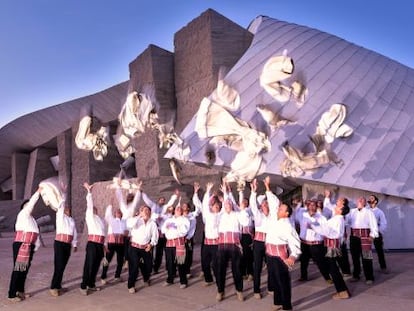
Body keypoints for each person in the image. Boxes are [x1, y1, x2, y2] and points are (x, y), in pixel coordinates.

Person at [311, 197, 351, 299]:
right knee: (333, 268)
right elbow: (326, 228)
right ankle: (342, 290)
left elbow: (328, 231)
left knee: (333, 269)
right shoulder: (337, 219)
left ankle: (342, 291)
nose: (337, 206)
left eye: (339, 206)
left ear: (341, 210)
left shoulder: (337, 219)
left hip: (331, 246)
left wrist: (314, 227)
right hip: (332, 245)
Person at [215, 181, 249, 302]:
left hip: (234, 246)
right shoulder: (220, 215)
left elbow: (246, 223)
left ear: (232, 205)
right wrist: (225, 192)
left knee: (237, 270)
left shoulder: (238, 215)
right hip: (222, 246)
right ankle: (220, 291)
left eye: (229, 204)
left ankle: (239, 291)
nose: (227, 205)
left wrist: (243, 209)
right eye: (226, 204)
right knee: (220, 269)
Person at [8, 187, 42, 302]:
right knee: (18, 269)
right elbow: (32, 202)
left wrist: (35, 247)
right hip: (21, 244)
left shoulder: (32, 219)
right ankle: (12, 294)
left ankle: (20, 291)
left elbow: (35, 233)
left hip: (29, 245)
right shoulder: (23, 214)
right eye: (28, 205)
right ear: (24, 207)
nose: (30, 207)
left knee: (24, 269)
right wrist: (38, 192)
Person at [265, 203, 301, 311]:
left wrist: (293, 256)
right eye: (279, 208)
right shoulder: (275, 221)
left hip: (280, 257)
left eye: (281, 209)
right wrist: (267, 189)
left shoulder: (288, 225)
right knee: (275, 281)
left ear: (287, 213)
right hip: (270, 255)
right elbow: (272, 203)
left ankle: (287, 307)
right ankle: (277, 302)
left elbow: (295, 241)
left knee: (283, 282)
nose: (278, 210)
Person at [249, 177, 280, 299]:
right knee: (257, 267)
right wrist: (253, 191)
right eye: (263, 204)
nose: (265, 205)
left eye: (266, 203)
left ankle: (271, 287)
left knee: (271, 266)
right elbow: (252, 205)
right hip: (258, 243)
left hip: (269, 242)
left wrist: (268, 187)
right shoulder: (258, 215)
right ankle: (256, 290)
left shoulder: (273, 216)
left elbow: (275, 203)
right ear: (260, 206)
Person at [141, 188, 178, 274]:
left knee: (168, 252)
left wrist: (174, 196)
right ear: (158, 201)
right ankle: (154, 268)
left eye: (163, 200)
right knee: (156, 252)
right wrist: (142, 192)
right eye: (161, 200)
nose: (162, 201)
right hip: (155, 232)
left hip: (165, 235)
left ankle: (170, 268)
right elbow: (147, 200)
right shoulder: (154, 207)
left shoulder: (166, 211)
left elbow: (170, 203)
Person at [49, 187, 78, 297]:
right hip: (60, 243)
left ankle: (58, 285)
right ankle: (53, 287)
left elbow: (74, 232)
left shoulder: (71, 220)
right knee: (59, 265)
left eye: (69, 209)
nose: (68, 209)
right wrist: (64, 193)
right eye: (66, 208)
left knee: (63, 265)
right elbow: (61, 206)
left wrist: (74, 244)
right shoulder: (60, 217)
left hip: (67, 244)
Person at [80, 182, 106, 295]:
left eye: (95, 209)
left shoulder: (99, 219)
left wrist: (104, 245)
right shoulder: (89, 216)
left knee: (96, 265)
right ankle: (83, 286)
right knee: (89, 265)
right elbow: (89, 205)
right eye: (92, 208)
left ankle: (91, 284)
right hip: (92, 244)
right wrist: (89, 192)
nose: (94, 209)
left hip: (100, 244)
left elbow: (103, 233)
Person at [297, 199, 331, 283]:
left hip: (316, 243)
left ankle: (327, 277)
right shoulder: (303, 215)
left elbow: (325, 229)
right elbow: (295, 219)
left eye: (314, 205)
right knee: (304, 261)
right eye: (310, 205)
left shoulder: (321, 217)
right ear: (307, 206)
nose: (312, 207)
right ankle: (303, 276)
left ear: (317, 207)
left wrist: (313, 225)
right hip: (305, 242)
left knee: (320, 261)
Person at [126, 205, 159, 293]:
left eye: (148, 210)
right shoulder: (136, 220)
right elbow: (129, 224)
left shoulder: (152, 223)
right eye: (144, 210)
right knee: (134, 266)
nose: (146, 212)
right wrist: (138, 216)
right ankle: (131, 285)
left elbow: (155, 236)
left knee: (148, 266)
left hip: (145, 248)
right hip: (134, 247)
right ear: (141, 211)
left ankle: (146, 278)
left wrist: (151, 245)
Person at [193, 181, 221, 287]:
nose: (216, 207)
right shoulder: (208, 215)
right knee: (205, 263)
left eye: (218, 206)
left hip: (217, 243)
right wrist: (208, 191)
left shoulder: (221, 215)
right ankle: (208, 279)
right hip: (207, 242)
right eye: (214, 206)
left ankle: (219, 283)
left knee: (215, 264)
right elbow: (204, 204)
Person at [347, 197, 379, 284]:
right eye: (359, 199)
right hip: (354, 236)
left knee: (367, 257)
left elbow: (374, 224)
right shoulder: (351, 211)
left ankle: (369, 277)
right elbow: (346, 221)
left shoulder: (369, 212)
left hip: (365, 236)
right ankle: (356, 275)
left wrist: (373, 235)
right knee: (354, 257)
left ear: (365, 203)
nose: (360, 200)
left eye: (362, 200)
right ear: (356, 201)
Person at [161, 204, 190, 288]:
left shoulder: (185, 220)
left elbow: (184, 231)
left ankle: (183, 281)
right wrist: (167, 227)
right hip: (169, 244)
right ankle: (170, 279)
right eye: (176, 208)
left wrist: (176, 227)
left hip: (179, 243)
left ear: (182, 211)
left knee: (181, 262)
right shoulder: (169, 220)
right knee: (170, 263)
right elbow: (163, 230)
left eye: (179, 209)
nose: (178, 210)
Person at [323, 189, 351, 276]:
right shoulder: (335, 208)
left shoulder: (344, 213)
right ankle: (341, 270)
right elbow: (327, 205)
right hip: (334, 234)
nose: (337, 200)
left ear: (343, 203)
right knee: (338, 254)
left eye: (339, 200)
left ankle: (345, 271)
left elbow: (346, 223)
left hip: (340, 234)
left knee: (342, 253)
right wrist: (327, 196)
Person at [115, 179, 141, 268]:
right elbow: (120, 198)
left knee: (130, 247)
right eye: (128, 197)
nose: (129, 198)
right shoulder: (123, 206)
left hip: (131, 230)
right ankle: (125, 261)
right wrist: (118, 186)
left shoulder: (133, 206)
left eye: (131, 197)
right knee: (123, 247)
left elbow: (137, 198)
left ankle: (128, 261)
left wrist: (138, 190)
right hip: (123, 229)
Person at [100, 204, 127, 285]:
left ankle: (117, 276)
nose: (118, 213)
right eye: (117, 212)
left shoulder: (124, 222)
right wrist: (110, 206)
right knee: (107, 259)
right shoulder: (112, 220)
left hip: (121, 243)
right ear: (114, 214)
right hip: (111, 243)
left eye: (120, 212)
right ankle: (103, 277)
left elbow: (127, 231)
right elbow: (107, 215)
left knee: (120, 260)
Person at [368, 194, 388, 273]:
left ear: (375, 201)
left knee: (379, 250)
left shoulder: (379, 212)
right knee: (366, 251)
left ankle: (383, 267)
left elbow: (383, 223)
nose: (369, 199)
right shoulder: (366, 210)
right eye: (369, 198)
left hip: (376, 233)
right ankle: (368, 268)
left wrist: (378, 231)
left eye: (371, 198)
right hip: (366, 232)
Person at [182, 201, 201, 279]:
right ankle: (180, 270)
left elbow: (198, 210)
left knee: (188, 255)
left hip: (188, 239)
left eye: (185, 206)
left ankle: (187, 271)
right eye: (183, 206)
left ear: (188, 208)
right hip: (180, 239)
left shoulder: (192, 215)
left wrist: (195, 199)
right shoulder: (179, 215)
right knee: (180, 255)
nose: (184, 207)